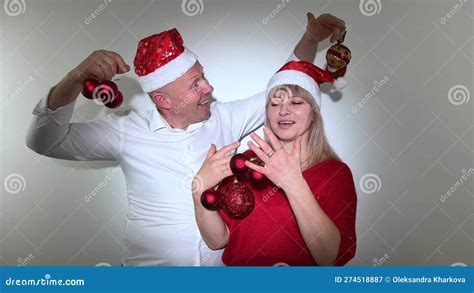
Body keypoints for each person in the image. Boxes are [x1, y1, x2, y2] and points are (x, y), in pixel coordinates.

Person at [26, 13, 347, 266]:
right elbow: (44, 140)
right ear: (164, 100)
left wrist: (309, 39)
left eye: (203, 75)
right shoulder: (125, 131)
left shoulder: (226, 117)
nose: (209, 87)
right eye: (196, 83)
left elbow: (287, 87)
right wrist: (77, 76)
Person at [192, 60, 357, 266]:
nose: (283, 111)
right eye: (275, 103)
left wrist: (293, 183)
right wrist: (198, 189)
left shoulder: (335, 174)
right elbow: (217, 240)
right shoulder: (245, 164)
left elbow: (330, 258)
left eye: (296, 102)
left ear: (314, 112)